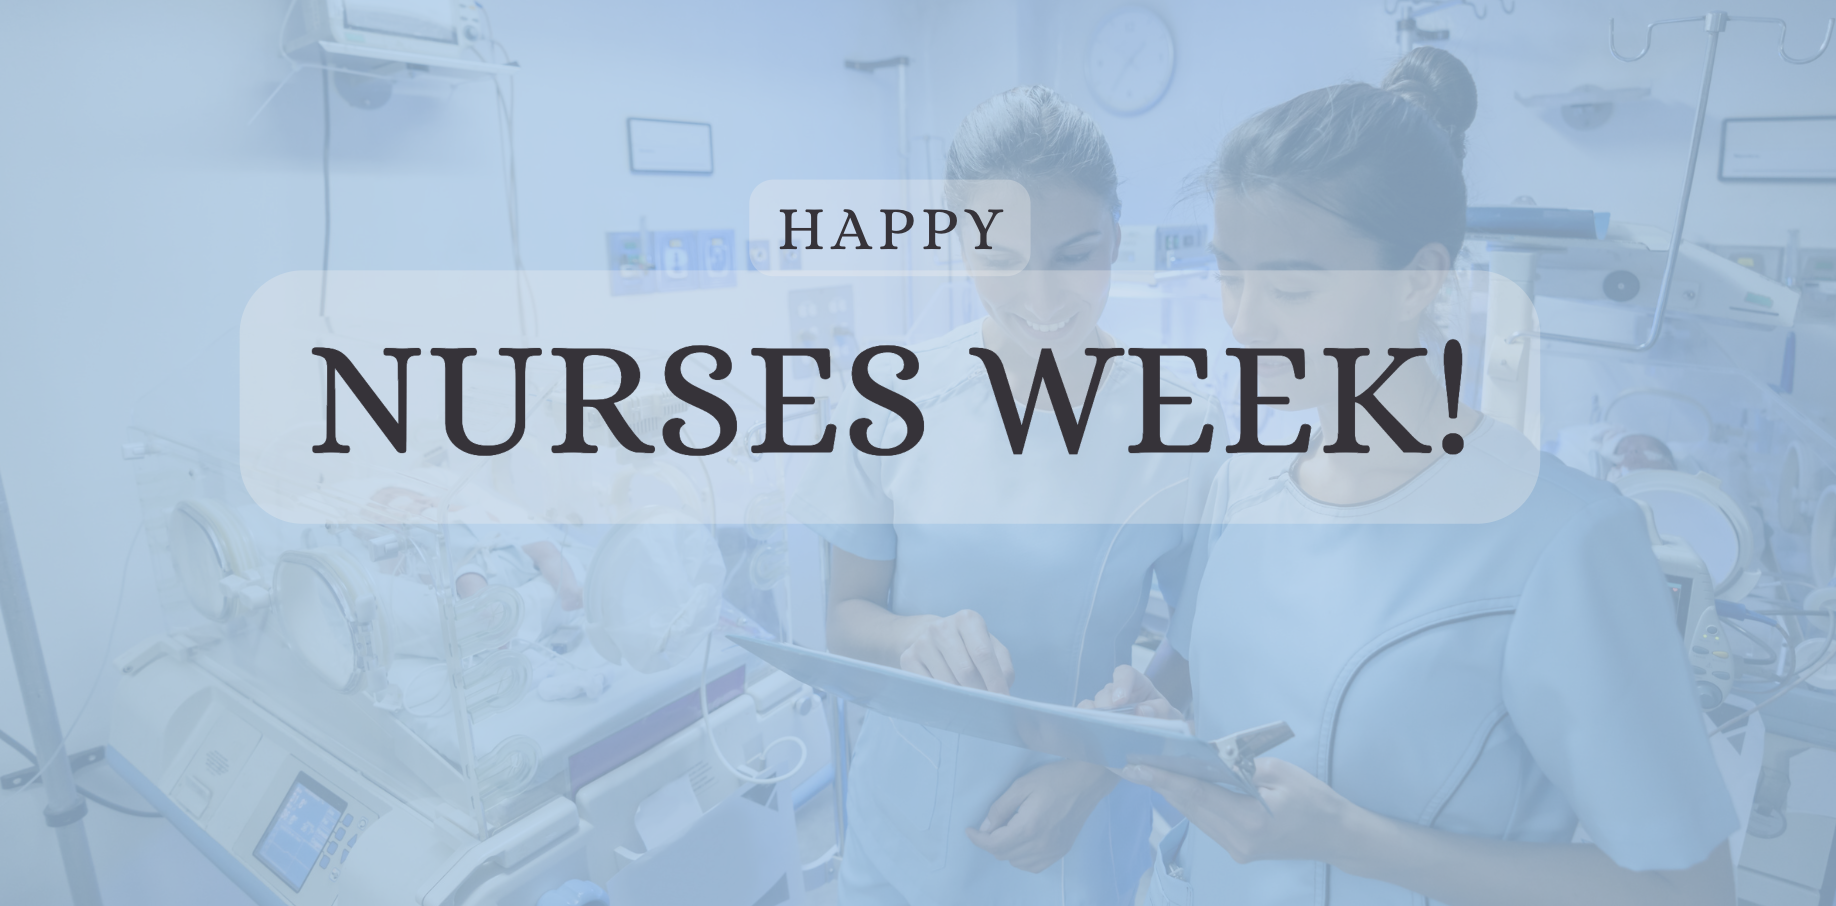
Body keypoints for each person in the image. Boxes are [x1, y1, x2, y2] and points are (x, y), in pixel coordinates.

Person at [1087, 48, 1739, 905]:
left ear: (1417, 282)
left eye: (1290, 288)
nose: (1242, 324)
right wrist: (1162, 730)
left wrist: (1355, 843)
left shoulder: (1560, 540)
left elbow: (1689, 888)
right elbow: (1236, 699)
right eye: (1229, 276)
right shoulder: (1246, 481)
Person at [791, 86, 1224, 905]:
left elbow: (1203, 654)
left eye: (1074, 253)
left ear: (1116, 241)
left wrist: (1093, 771)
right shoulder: (891, 404)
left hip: (1072, 838)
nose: (1040, 297)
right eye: (1002, 258)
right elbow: (844, 620)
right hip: (897, 820)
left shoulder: (1181, 429)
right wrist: (914, 636)